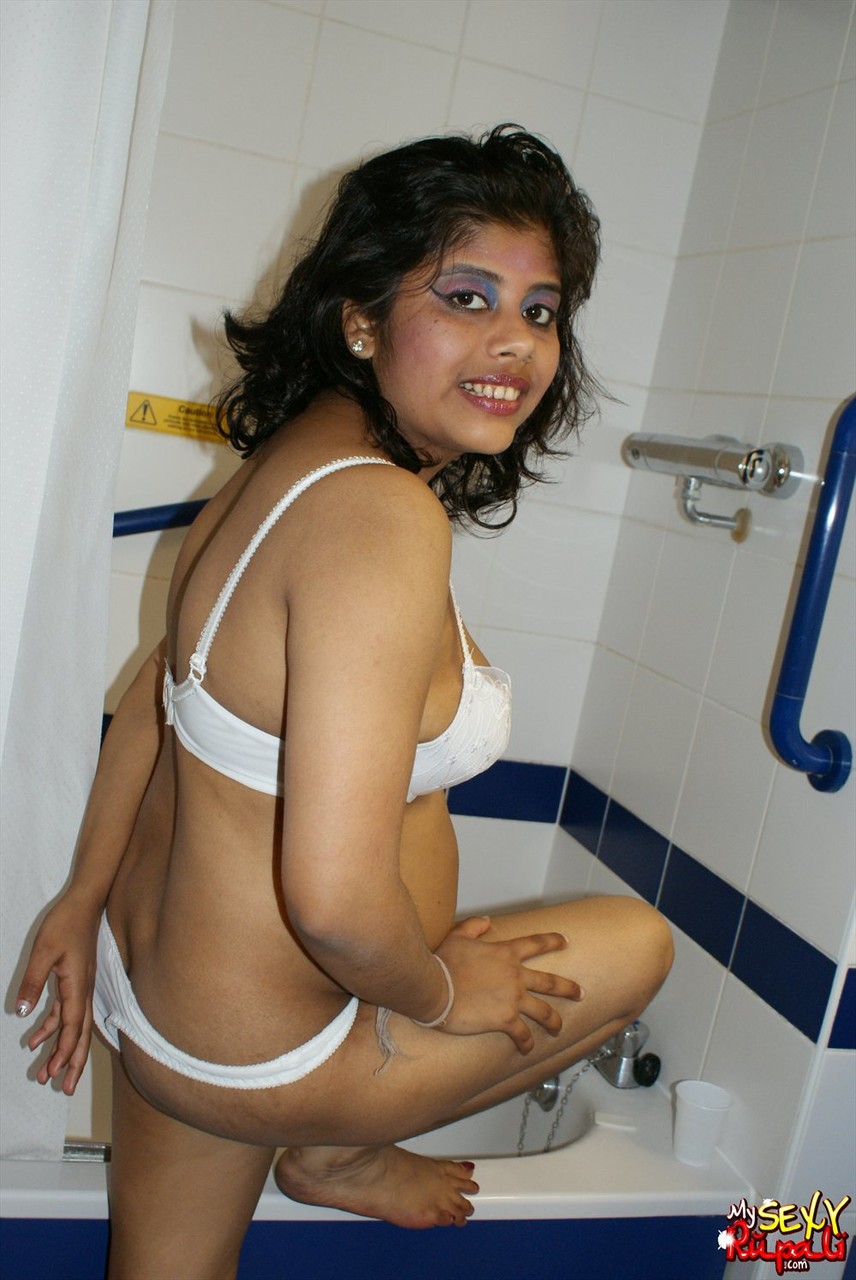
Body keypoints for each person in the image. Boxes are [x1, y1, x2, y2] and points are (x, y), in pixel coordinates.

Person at [16, 125, 672, 1279]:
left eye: (540, 309)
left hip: (164, 995)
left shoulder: (270, 479)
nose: (514, 341)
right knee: (640, 944)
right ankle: (336, 1148)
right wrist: (441, 988)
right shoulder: (379, 515)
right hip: (276, 1048)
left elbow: (155, 698)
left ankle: (336, 1137)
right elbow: (331, 900)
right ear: (359, 318)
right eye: (466, 295)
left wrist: (79, 895)